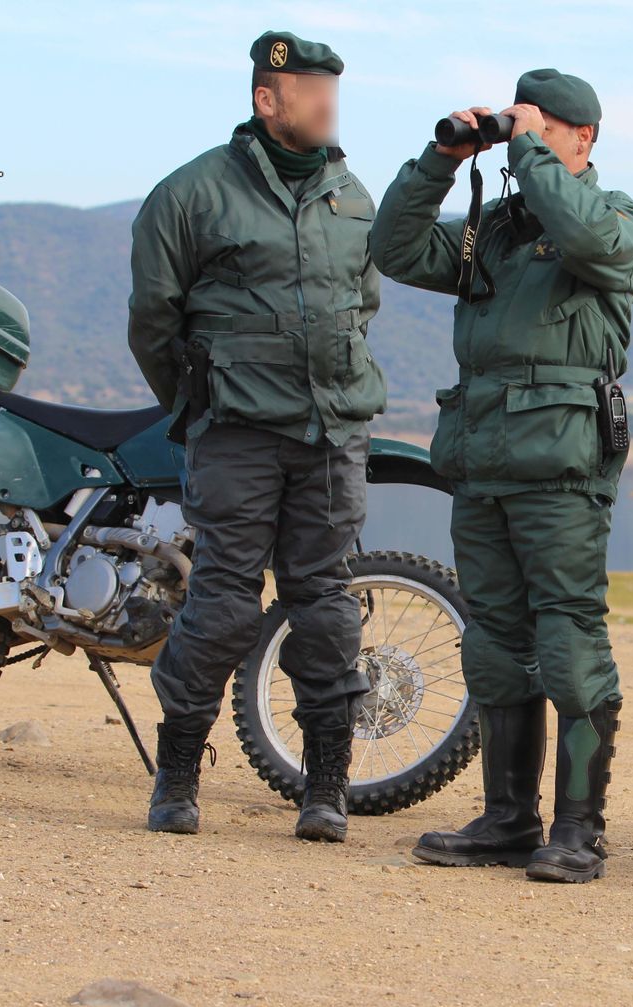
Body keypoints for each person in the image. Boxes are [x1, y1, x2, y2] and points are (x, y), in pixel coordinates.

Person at [369, 69, 633, 882]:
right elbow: (392, 248)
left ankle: (578, 829)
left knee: (567, 636)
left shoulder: (613, 218)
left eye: (543, 125)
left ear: (582, 139)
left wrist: (527, 150)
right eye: (520, 124)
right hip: (481, 458)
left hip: (561, 465)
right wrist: (442, 158)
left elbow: (588, 234)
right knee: (493, 641)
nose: (525, 136)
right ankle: (507, 821)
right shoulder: (489, 235)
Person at [126, 30, 386, 841]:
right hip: (235, 433)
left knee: (326, 610)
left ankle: (326, 790)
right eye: (309, 92)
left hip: (331, 433)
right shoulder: (193, 193)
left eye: (330, 93)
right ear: (266, 99)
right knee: (223, 606)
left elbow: (362, 303)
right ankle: (175, 781)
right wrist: (200, 404)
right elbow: (152, 322)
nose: (325, 105)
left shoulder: (351, 194)